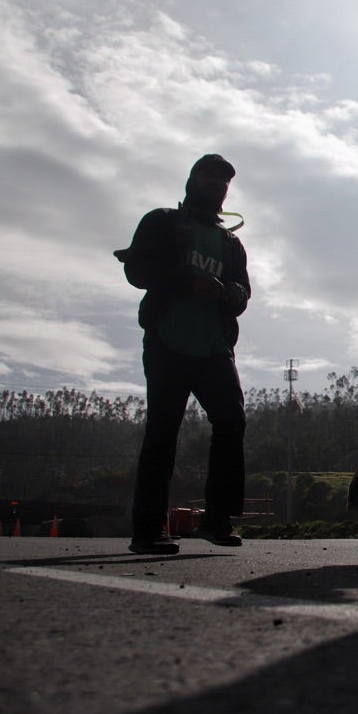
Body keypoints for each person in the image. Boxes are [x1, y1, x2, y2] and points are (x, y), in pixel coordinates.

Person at [116, 154, 251, 554]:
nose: (217, 184)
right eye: (209, 176)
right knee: (162, 431)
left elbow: (243, 294)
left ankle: (217, 520)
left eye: (223, 181)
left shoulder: (231, 243)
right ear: (192, 180)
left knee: (232, 422)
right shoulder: (162, 221)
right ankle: (148, 530)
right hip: (168, 341)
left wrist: (235, 295)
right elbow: (137, 271)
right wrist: (189, 281)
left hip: (215, 348)